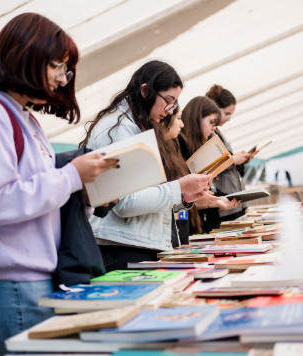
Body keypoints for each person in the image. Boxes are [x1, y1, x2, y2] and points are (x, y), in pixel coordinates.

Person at [0, 13, 119, 356]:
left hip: (38, 276)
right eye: (57, 65)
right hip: (13, 280)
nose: (62, 77)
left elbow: (43, 193)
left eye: (66, 69)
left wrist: (86, 189)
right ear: (24, 55)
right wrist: (71, 176)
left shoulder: (26, 117)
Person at [79, 60, 212, 271]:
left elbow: (145, 194)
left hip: (132, 244)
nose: (170, 110)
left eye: (174, 104)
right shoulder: (119, 129)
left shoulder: (135, 125)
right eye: (168, 101)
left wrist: (183, 196)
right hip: (119, 248)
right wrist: (179, 188)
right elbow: (125, 203)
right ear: (145, 90)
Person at [178, 96, 240, 235]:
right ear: (196, 118)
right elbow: (185, 193)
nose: (213, 130)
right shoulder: (180, 145)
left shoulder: (198, 145)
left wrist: (221, 199)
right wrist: (216, 201)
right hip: (192, 227)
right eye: (211, 123)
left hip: (205, 224)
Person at [204, 84, 253, 230]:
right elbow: (208, 167)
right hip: (223, 206)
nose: (228, 119)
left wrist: (238, 160)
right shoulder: (208, 135)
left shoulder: (216, 133)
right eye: (227, 113)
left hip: (231, 204)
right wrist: (233, 160)